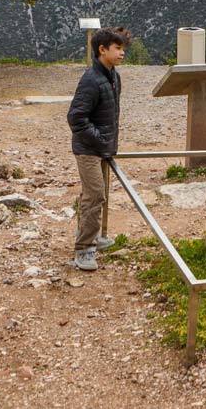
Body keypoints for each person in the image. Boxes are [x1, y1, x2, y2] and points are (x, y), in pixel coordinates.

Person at [67, 26, 131, 272]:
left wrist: (107, 142)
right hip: (88, 150)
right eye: (117, 48)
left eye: (123, 48)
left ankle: (95, 236)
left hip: (102, 147)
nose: (122, 53)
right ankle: (84, 249)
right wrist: (99, 140)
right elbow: (75, 118)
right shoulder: (91, 80)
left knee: (98, 195)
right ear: (102, 50)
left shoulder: (113, 75)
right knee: (95, 196)